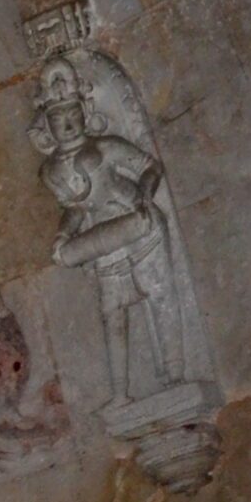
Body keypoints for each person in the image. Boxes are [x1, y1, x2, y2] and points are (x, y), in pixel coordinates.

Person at [29, 58, 185, 404]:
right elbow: (74, 208)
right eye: (57, 118)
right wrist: (63, 237)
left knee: (159, 295)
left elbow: (149, 167)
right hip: (102, 240)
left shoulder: (106, 147)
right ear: (47, 126)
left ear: (85, 112)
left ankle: (175, 375)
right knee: (112, 312)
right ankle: (119, 394)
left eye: (72, 114)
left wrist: (144, 197)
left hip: (138, 226)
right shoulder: (51, 171)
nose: (67, 123)